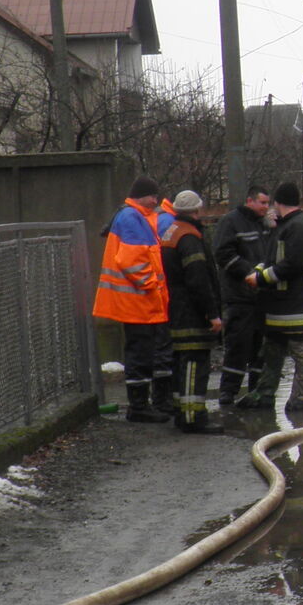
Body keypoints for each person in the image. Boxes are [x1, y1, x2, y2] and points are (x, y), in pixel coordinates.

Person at [92, 174, 174, 421]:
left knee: (141, 352)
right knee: (140, 354)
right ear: (143, 196)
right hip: (137, 301)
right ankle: (139, 407)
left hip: (138, 301)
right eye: (153, 195)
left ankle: (141, 405)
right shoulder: (133, 217)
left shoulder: (135, 216)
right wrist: (151, 284)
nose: (156, 200)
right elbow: (131, 259)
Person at [163, 190, 229, 434]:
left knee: (181, 363)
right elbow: (198, 279)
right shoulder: (190, 237)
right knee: (193, 362)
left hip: (175, 307)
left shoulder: (171, 232)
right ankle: (193, 417)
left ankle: (183, 412)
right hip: (190, 312)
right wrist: (212, 313)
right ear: (197, 210)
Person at [254, 179, 303, 414]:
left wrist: (261, 278)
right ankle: (265, 393)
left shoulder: (298, 227)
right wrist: (259, 272)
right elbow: (272, 258)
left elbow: (292, 264)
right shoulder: (283, 226)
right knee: (273, 349)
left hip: (295, 303)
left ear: (278, 201)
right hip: (279, 304)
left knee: (299, 348)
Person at [212, 182, 274, 410]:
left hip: (260, 298)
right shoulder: (231, 222)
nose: (266, 207)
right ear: (250, 201)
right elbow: (222, 253)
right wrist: (250, 271)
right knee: (238, 346)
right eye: (262, 203)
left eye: (268, 203)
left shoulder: (264, 224)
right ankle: (228, 393)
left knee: (260, 349)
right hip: (240, 297)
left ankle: (257, 391)